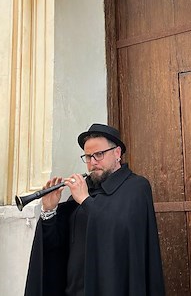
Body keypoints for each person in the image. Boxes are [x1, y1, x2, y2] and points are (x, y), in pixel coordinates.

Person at [24, 123, 165, 296]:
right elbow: (58, 248)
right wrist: (49, 211)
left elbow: (118, 231)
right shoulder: (84, 193)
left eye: (99, 154)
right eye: (88, 157)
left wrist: (85, 200)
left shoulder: (135, 187)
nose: (93, 162)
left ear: (117, 153)